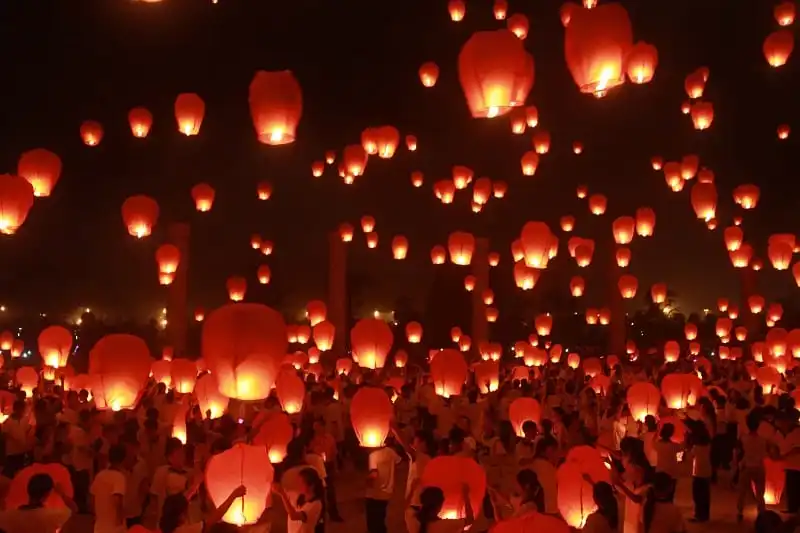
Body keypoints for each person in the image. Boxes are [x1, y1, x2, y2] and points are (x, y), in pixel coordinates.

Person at [0, 473, 75, 533]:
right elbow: (74, 509)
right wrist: (61, 493)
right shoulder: (51, 516)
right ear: (47, 494)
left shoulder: (10, 516)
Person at [158, 485, 246, 533]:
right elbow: (214, 518)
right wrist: (234, 495)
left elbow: (183, 499)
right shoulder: (183, 531)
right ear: (180, 515)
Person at [736, 411, 769, 521]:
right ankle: (762, 512)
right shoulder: (763, 440)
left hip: (746, 467)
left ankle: (740, 512)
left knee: (742, 492)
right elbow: (765, 453)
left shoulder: (743, 439)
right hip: (759, 467)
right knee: (760, 493)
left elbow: (738, 453)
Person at [273, 467, 326, 533]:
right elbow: (287, 493)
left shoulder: (316, 504)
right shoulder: (300, 496)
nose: (298, 485)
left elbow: (294, 516)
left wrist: (282, 494)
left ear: (311, 486)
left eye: (301, 483)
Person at [90, 443, 127, 533]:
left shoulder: (99, 475)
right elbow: (117, 499)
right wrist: (120, 519)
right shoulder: (119, 477)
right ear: (123, 460)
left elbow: (92, 498)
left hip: (99, 526)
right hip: (114, 528)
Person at [365, 441, 401, 533]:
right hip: (387, 492)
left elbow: (374, 474)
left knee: (373, 521)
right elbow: (399, 461)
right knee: (381, 518)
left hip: (375, 493)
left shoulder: (373, 455)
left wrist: (366, 481)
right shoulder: (390, 451)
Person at [407, 485, 474, 533]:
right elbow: (470, 519)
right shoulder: (445, 525)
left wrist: (413, 488)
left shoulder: (412, 519)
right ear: (439, 506)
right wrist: (466, 496)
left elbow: (405, 507)